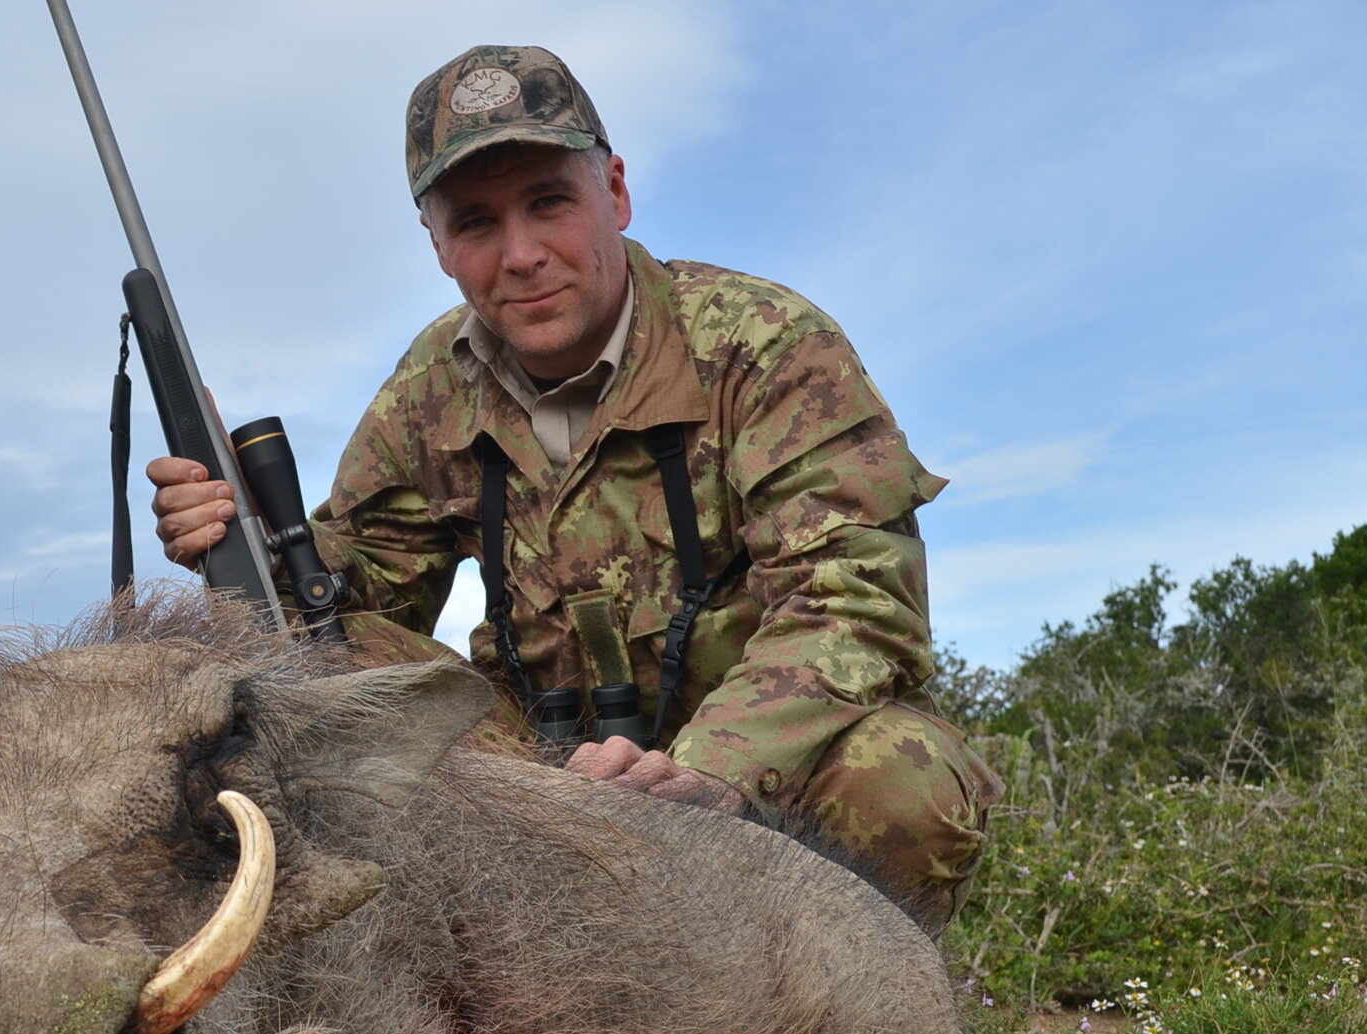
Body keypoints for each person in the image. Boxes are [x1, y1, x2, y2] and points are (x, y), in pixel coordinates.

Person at [147, 45, 998, 928]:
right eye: (475, 223)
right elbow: (358, 596)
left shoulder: (767, 344)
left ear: (616, 193)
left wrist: (712, 769)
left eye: (549, 202)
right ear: (437, 245)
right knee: (341, 665)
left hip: (749, 762)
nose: (521, 256)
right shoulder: (428, 385)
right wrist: (246, 535)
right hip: (545, 767)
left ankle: (856, 1026)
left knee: (899, 783)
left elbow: (855, 597)